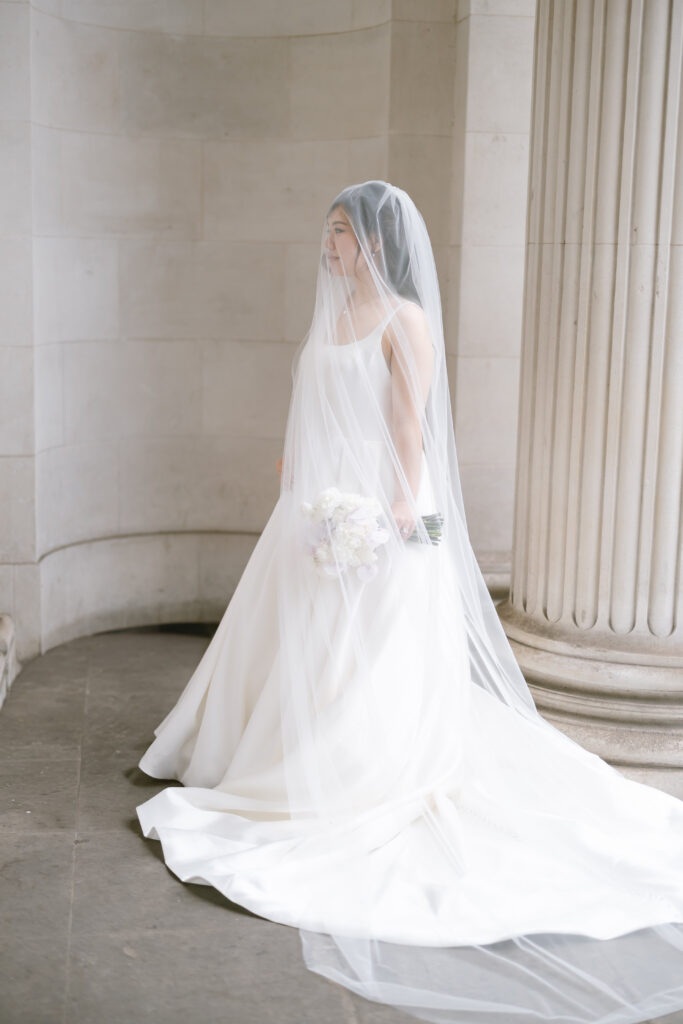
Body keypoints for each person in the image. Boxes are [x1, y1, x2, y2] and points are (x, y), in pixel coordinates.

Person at [136, 181, 683, 1023]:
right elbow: (315, 402)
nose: (329, 246)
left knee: (374, 646)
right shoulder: (330, 315)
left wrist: (398, 518)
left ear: (376, 243)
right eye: (326, 230)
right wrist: (299, 480)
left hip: (386, 505)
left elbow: (408, 431)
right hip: (317, 500)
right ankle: (282, 750)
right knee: (302, 642)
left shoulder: (404, 320)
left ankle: (359, 765)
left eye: (340, 233)